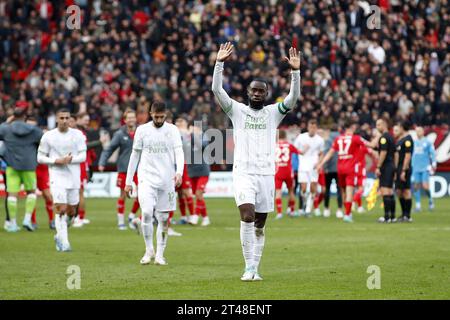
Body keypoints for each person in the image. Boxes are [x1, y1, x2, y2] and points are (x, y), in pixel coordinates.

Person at [212, 42, 301, 281]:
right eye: (254, 90)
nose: (257, 93)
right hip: (243, 173)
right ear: (248, 92)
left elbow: (293, 99)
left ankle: (256, 268)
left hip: (265, 174)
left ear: (266, 94)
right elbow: (217, 91)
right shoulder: (237, 111)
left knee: (260, 224)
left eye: (261, 91)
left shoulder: (274, 113)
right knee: (248, 216)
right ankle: (248, 267)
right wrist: (219, 63)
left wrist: (295, 72)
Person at [125, 101, 184, 266]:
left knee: (164, 220)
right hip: (147, 179)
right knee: (147, 213)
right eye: (156, 116)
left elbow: (179, 152)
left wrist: (179, 172)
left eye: (162, 116)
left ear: (166, 114)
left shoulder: (172, 130)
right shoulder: (142, 130)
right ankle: (148, 249)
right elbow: (134, 156)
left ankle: (160, 254)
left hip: (167, 180)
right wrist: (129, 181)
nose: (159, 119)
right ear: (150, 114)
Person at [37, 108, 87, 251]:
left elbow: (83, 156)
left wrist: (69, 160)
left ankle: (59, 235)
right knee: (60, 208)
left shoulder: (77, 135)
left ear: (70, 119)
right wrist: (56, 160)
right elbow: (39, 157)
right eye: (62, 118)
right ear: (56, 119)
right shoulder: (48, 136)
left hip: (73, 177)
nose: (65, 121)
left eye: (67, 118)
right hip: (57, 176)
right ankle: (64, 243)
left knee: (71, 211)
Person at [0, 108, 43, 232]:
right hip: (29, 166)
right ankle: (27, 219)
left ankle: (12, 223)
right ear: (25, 117)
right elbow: (43, 142)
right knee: (31, 193)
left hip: (11, 165)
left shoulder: (6, 129)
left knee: (12, 195)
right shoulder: (34, 130)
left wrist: (6, 122)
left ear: (13, 116)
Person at [316, 119, 366, 223]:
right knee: (349, 191)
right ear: (352, 128)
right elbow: (370, 145)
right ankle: (347, 214)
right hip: (350, 168)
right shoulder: (355, 138)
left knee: (342, 191)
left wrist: (321, 164)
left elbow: (330, 153)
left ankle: (346, 212)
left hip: (340, 168)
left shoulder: (338, 139)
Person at [98, 108, 141, 230]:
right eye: (129, 118)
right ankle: (121, 222)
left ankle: (132, 216)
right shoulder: (119, 134)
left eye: (133, 117)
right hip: (124, 169)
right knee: (122, 195)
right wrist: (102, 162)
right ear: (125, 120)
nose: (131, 119)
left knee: (142, 194)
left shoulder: (141, 132)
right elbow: (109, 149)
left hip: (139, 169)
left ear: (135, 119)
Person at [26, 117, 54, 230]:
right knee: (31, 196)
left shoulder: (42, 137)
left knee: (47, 195)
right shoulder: (24, 138)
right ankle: (32, 221)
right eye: (29, 125)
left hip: (42, 169)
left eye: (33, 125)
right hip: (30, 168)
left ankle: (52, 220)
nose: (31, 128)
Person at [293, 119, 324, 216]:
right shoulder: (301, 137)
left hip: (313, 166)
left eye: (314, 128)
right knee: (303, 188)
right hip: (303, 165)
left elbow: (321, 153)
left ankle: (308, 208)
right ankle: (305, 204)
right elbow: (294, 149)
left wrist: (319, 163)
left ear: (316, 128)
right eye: (311, 127)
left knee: (313, 186)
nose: (312, 129)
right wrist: (301, 151)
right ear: (308, 127)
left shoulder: (320, 140)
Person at [187, 122, 211, 227]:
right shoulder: (186, 138)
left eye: (196, 127)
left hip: (203, 170)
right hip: (192, 171)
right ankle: (205, 218)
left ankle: (195, 216)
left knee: (198, 194)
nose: (194, 129)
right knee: (198, 195)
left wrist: (194, 135)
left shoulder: (204, 137)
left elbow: (202, 146)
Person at [373, 118, 397, 223]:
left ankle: (387, 217)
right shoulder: (391, 137)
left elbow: (383, 152)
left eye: (378, 125)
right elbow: (395, 153)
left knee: (385, 191)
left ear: (384, 125)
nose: (377, 127)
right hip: (391, 165)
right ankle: (392, 216)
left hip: (386, 166)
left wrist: (378, 166)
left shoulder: (383, 138)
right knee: (390, 191)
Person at [274, 129, 301, 220]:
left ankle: (279, 213)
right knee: (291, 191)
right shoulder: (289, 145)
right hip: (288, 171)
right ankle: (292, 211)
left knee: (278, 192)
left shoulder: (274, 146)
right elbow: (300, 152)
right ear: (285, 136)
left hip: (278, 171)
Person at [174, 117, 195, 225]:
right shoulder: (174, 133)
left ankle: (192, 216)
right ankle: (183, 217)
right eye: (177, 122)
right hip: (171, 165)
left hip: (183, 165)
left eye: (181, 122)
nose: (178, 124)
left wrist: (188, 133)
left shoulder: (188, 134)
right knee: (179, 193)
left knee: (186, 191)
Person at [411, 126, 436, 211]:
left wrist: (434, 163)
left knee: (425, 186)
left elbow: (432, 153)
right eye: (417, 131)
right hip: (415, 167)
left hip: (425, 167)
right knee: (416, 186)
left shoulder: (427, 142)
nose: (418, 132)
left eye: (420, 131)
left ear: (423, 132)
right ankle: (418, 205)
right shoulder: (414, 143)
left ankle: (430, 200)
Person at [393, 122, 414, 222]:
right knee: (399, 191)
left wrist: (404, 170)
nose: (395, 131)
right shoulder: (401, 140)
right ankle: (403, 214)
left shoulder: (408, 140)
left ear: (402, 128)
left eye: (397, 129)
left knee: (406, 190)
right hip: (399, 168)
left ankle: (407, 215)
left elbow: (408, 155)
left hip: (404, 168)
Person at [322, 126, 344, 218]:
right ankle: (339, 210)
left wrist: (325, 166)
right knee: (340, 190)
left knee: (327, 189)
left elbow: (327, 153)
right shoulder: (341, 139)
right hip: (340, 168)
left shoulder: (328, 140)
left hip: (329, 169)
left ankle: (326, 209)